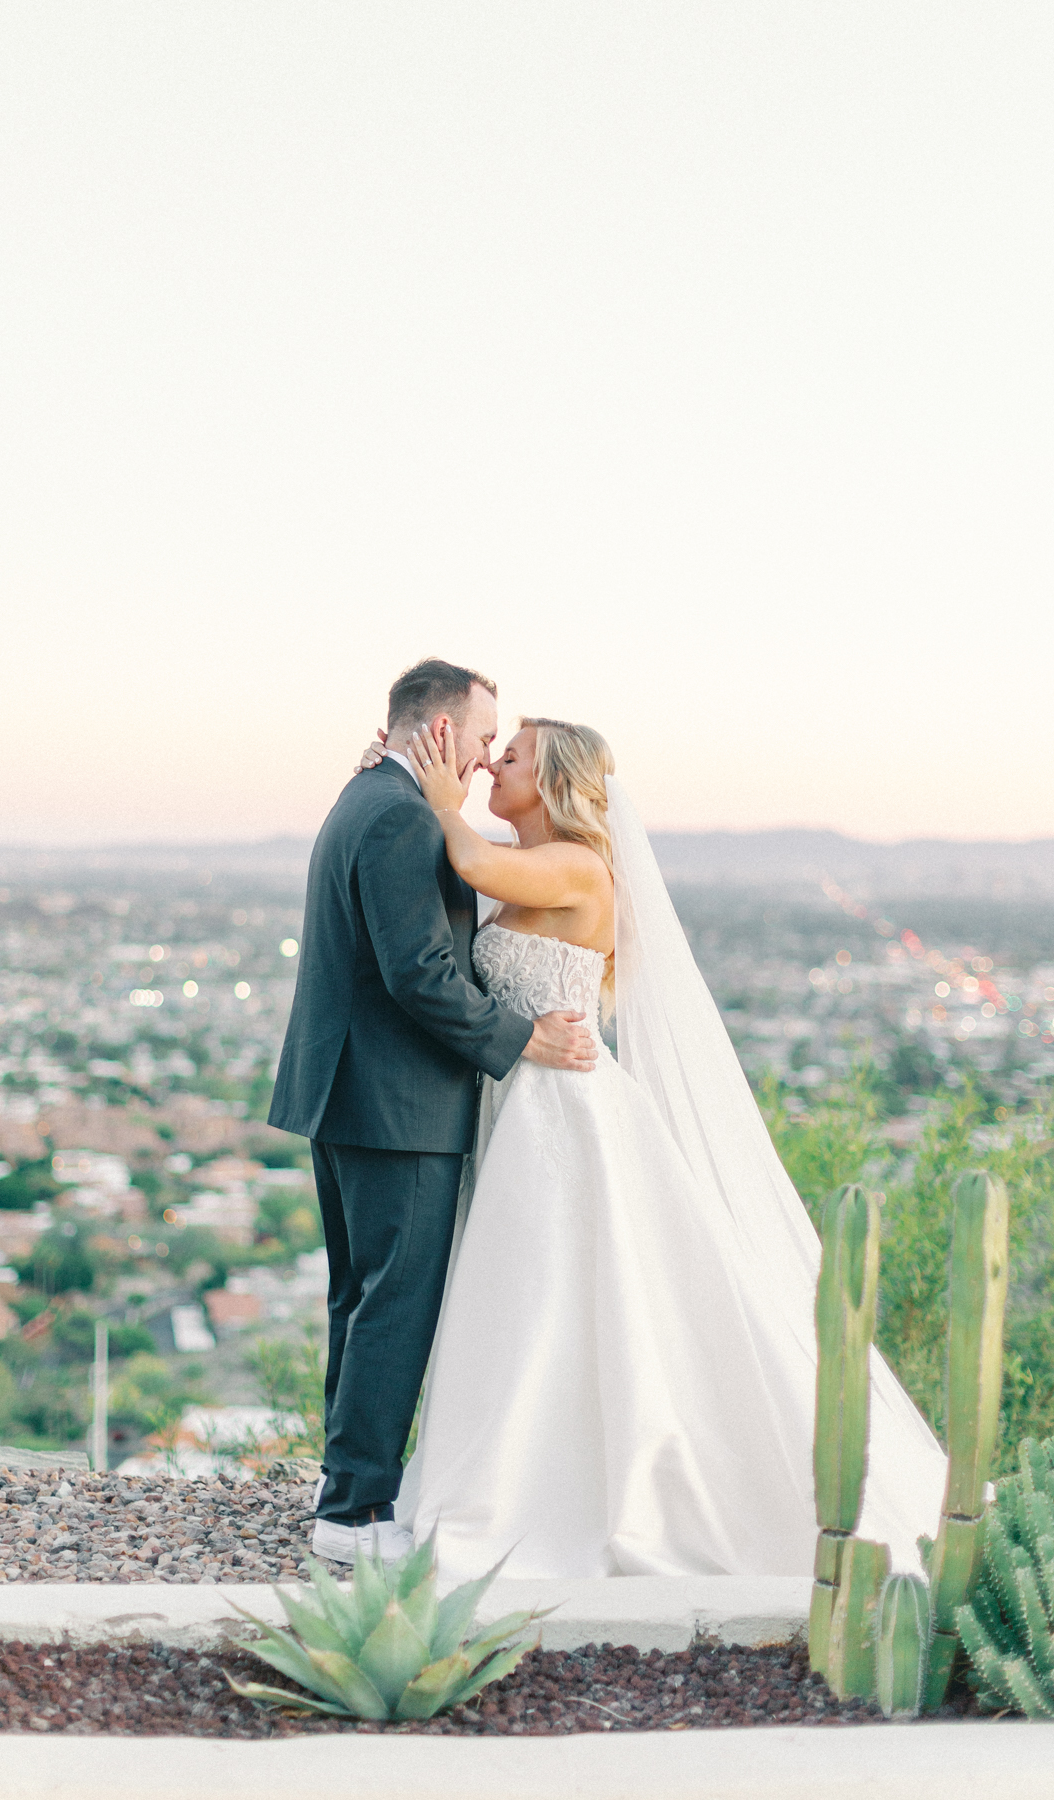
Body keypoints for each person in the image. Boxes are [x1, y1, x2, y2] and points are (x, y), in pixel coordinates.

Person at [356, 715, 947, 1581]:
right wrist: (405, 775)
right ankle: (519, 1472)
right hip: (521, 1105)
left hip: (564, 1115)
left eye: (508, 756)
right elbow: (465, 857)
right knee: (534, 1300)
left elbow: (473, 862)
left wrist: (434, 789)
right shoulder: (534, 859)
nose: (490, 766)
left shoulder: (578, 865)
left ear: (552, 781)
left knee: (552, 1291)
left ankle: (559, 1494)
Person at [268, 659, 598, 1565]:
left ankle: (348, 1485)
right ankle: (354, 1513)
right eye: (484, 738)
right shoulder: (403, 818)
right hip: (397, 1103)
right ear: (441, 731)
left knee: (362, 1301)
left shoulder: (367, 797)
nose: (489, 759)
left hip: (352, 1097)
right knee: (395, 1305)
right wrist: (525, 1040)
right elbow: (421, 974)